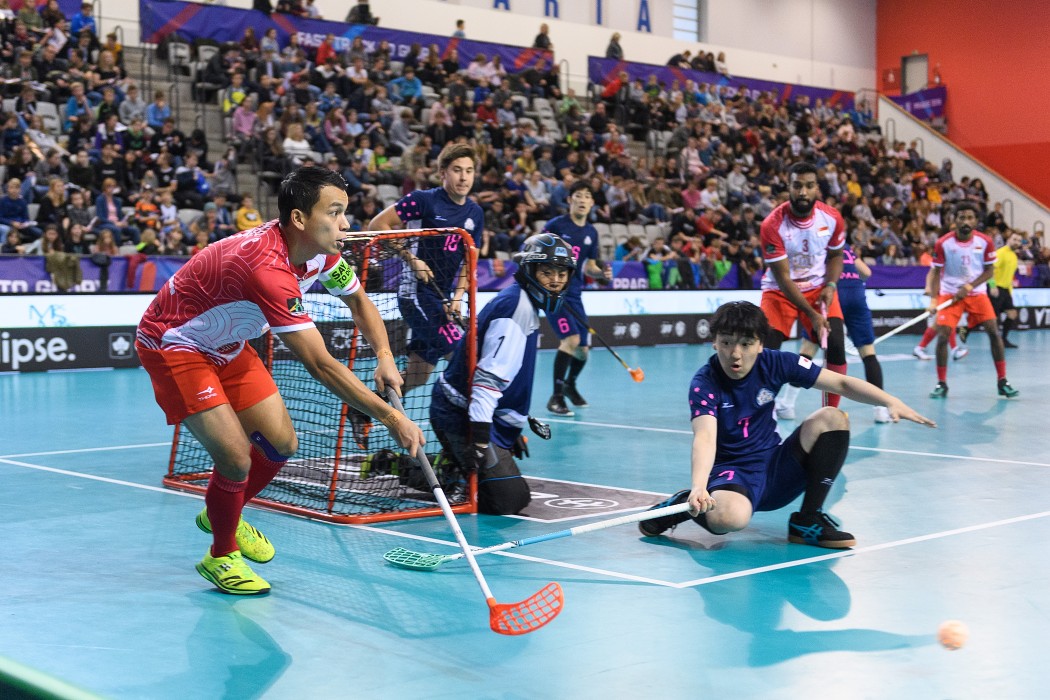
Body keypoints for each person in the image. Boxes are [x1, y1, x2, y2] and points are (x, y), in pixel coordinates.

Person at [135, 167, 425, 596]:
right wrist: (391, 418)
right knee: (236, 458)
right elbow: (320, 364)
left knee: (282, 444)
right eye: (335, 212)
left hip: (227, 344)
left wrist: (384, 357)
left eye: (344, 212)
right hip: (176, 344)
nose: (346, 224)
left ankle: (222, 512)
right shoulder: (266, 267)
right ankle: (221, 554)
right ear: (300, 219)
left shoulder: (323, 254)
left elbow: (359, 301)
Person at [636, 301, 936, 549]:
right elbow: (705, 437)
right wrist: (699, 487)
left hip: (777, 467)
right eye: (726, 343)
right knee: (728, 520)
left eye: (746, 344)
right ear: (714, 342)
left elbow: (842, 383)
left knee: (832, 418)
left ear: (760, 344)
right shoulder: (705, 382)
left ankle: (808, 519)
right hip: (734, 475)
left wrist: (889, 400)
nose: (735, 354)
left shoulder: (777, 363)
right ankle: (682, 504)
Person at [430, 233, 576, 514]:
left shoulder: (522, 302)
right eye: (547, 272)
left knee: (505, 492)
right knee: (508, 500)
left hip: (481, 415)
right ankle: (423, 468)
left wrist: (513, 424)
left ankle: (454, 464)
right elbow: (486, 383)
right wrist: (480, 440)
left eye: (562, 273)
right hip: (460, 416)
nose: (556, 281)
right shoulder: (516, 309)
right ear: (530, 270)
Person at [368, 143, 483, 394]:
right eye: (456, 170)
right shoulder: (423, 200)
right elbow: (378, 225)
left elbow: (469, 260)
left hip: (442, 299)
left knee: (417, 376)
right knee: (461, 354)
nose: (463, 177)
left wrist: (457, 297)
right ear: (442, 173)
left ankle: (365, 408)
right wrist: (411, 259)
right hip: (415, 294)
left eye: (469, 171)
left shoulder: (476, 213)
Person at [759, 162, 848, 415]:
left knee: (836, 344)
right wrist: (812, 314)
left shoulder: (832, 217)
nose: (803, 192)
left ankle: (830, 414)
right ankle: (762, 410)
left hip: (818, 288)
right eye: (797, 186)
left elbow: (836, 256)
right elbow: (783, 278)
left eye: (809, 186)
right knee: (767, 351)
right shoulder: (772, 225)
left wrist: (831, 284)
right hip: (780, 291)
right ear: (789, 187)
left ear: (817, 188)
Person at [776, 241, 892, 424]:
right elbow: (867, 273)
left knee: (808, 349)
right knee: (868, 353)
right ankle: (881, 410)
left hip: (831, 295)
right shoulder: (846, 248)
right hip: (856, 296)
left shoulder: (816, 245)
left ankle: (787, 404)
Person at [927, 203, 1018, 399]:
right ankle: (941, 383)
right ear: (955, 220)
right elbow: (935, 272)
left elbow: (989, 271)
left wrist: (969, 287)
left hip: (977, 293)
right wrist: (934, 299)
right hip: (950, 293)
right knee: (943, 336)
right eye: (961, 217)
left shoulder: (985, 241)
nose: (966, 221)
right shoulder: (943, 243)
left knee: (994, 332)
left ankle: (1002, 381)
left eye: (970, 218)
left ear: (976, 221)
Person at [540, 182, 612, 416]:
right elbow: (535, 251)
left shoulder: (591, 232)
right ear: (570, 200)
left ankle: (569, 385)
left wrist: (601, 274)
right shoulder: (556, 225)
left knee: (583, 349)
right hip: (553, 292)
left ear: (592, 203)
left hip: (575, 294)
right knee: (571, 339)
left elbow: (589, 266)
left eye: (587, 196)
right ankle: (556, 397)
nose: (582, 200)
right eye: (578, 196)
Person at [990, 230, 1022, 348]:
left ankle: (1003, 340)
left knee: (1012, 314)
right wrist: (992, 286)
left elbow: (1009, 275)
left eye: (1019, 241)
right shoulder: (1000, 253)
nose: (1016, 242)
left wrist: (1010, 290)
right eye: (1014, 239)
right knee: (991, 318)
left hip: (1006, 290)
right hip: (996, 288)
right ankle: (965, 329)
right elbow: (990, 269)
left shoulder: (1014, 256)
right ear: (1008, 240)